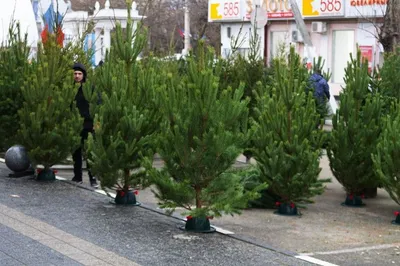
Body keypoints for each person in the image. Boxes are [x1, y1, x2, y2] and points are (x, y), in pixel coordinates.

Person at [71, 62, 98, 188]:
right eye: (75, 73)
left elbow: (97, 105)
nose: (77, 76)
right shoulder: (69, 89)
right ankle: (77, 177)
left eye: (79, 74)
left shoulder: (89, 88)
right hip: (74, 125)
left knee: (89, 152)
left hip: (88, 124)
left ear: (83, 75)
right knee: (76, 153)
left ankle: (93, 178)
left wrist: (95, 123)